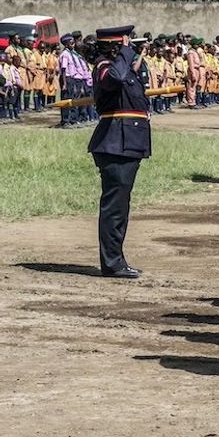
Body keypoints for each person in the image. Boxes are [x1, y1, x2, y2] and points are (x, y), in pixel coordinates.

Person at [87, 26, 149, 279]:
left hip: (127, 142)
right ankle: (112, 262)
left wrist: (128, 55)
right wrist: (124, 53)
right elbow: (115, 79)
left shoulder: (121, 67)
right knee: (114, 206)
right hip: (115, 142)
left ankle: (117, 259)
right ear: (114, 47)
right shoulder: (104, 66)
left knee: (121, 205)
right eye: (124, 45)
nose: (130, 49)